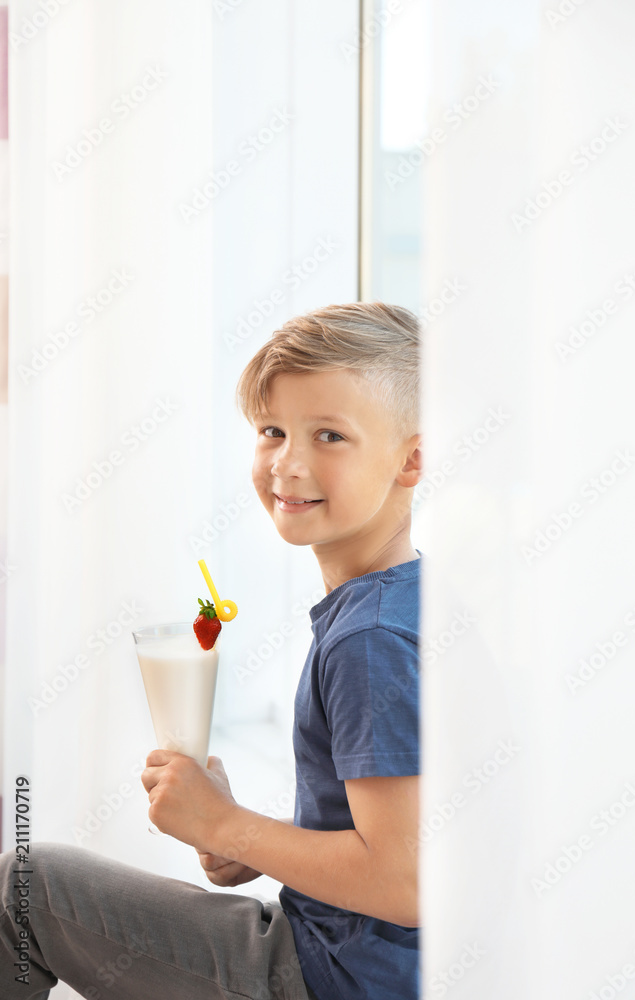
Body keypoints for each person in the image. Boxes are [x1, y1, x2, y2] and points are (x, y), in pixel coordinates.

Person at [0, 301, 422, 1000]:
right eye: (272, 430)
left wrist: (226, 823)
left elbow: (403, 882)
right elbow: (395, 835)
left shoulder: (367, 639)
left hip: (324, 978)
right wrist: (242, 840)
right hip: (348, 958)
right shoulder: (405, 600)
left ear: (412, 459)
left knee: (23, 889)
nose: (287, 463)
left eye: (328, 435)